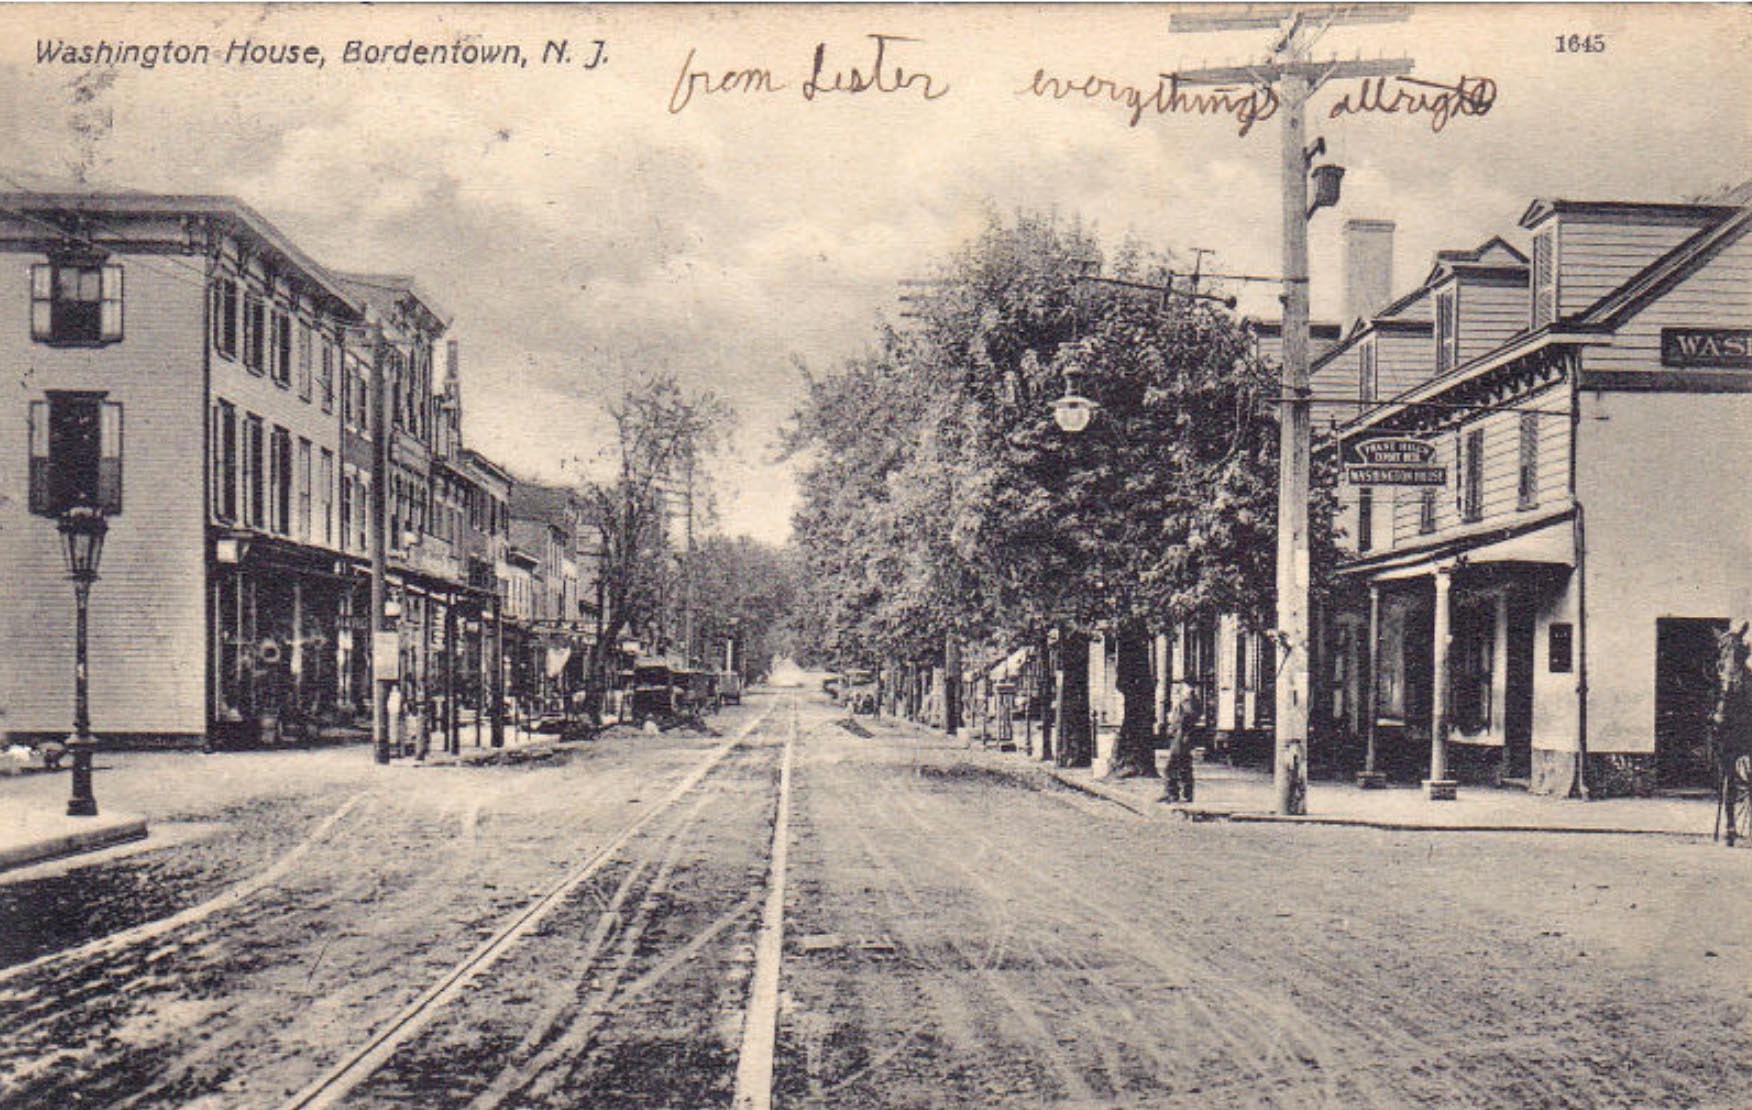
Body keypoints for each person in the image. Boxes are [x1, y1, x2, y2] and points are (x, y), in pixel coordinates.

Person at [1162, 690, 1201, 804]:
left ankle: (1175, 794)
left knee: (1174, 766)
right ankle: (1181, 794)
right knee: (1181, 766)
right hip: (1180, 737)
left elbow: (1186, 719)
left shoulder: (1188, 703)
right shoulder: (1186, 702)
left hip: (1182, 738)